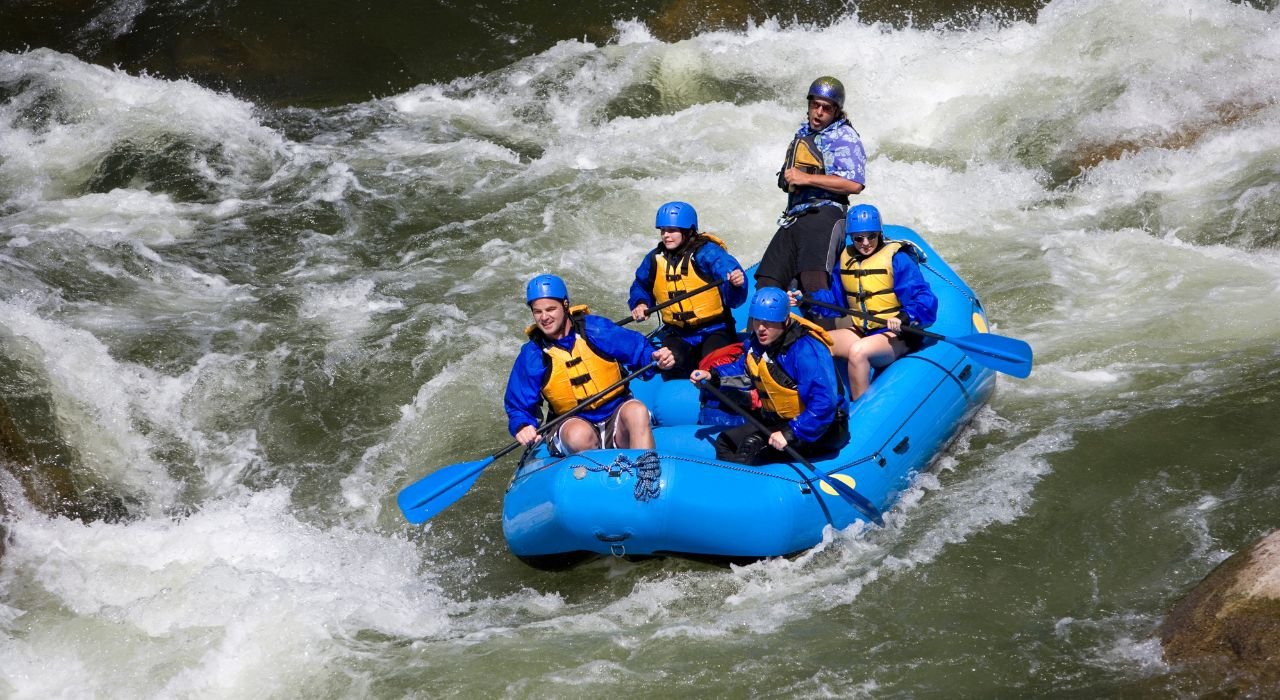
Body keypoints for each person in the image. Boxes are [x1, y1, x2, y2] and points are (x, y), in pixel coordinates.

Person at [505, 274, 676, 455]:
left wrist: (655, 358)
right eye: (537, 312)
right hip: (572, 423)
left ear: (565, 305)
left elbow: (639, 350)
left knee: (637, 411)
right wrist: (522, 425)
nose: (544, 317)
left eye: (550, 309)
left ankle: (646, 472)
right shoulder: (532, 354)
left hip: (615, 415)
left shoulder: (595, 329)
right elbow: (518, 404)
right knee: (579, 435)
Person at [689, 287, 848, 465]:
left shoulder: (806, 351)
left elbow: (824, 403)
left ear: (785, 321)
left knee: (751, 448)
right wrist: (713, 376)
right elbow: (744, 371)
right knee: (725, 443)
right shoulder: (757, 345)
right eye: (757, 321)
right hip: (780, 420)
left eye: (769, 323)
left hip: (822, 427)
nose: (761, 329)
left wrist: (791, 432)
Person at [804, 204, 938, 400]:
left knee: (858, 352)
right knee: (816, 343)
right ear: (851, 237)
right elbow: (836, 300)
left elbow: (924, 298)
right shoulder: (846, 259)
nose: (865, 243)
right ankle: (827, 403)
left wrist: (904, 316)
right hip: (863, 330)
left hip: (898, 335)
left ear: (879, 233)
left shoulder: (897, 259)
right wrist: (808, 299)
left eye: (871, 236)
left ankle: (861, 412)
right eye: (859, 238)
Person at [756, 76, 867, 304]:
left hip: (825, 215)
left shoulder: (844, 137)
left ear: (836, 111)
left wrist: (806, 178)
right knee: (767, 281)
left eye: (825, 108)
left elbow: (854, 184)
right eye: (814, 105)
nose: (818, 112)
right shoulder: (803, 134)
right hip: (794, 217)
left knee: (813, 280)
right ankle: (764, 337)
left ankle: (826, 335)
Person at [628, 201, 748, 377]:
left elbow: (733, 293)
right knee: (668, 362)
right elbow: (640, 285)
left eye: (672, 231)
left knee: (716, 365)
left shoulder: (708, 253)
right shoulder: (654, 258)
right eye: (663, 230)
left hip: (715, 329)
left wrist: (736, 283)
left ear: (688, 230)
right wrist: (640, 303)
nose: (666, 236)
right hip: (678, 333)